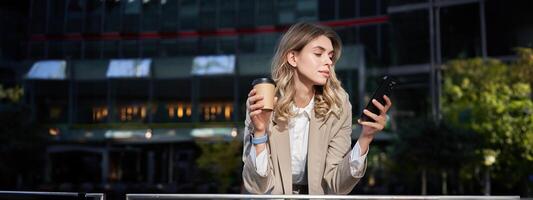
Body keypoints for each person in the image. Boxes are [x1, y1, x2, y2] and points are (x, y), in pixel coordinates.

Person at [242, 22, 392, 195]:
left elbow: (338, 185)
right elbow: (257, 187)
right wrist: (260, 133)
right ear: (292, 58)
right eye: (318, 53)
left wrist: (365, 137)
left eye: (330, 56)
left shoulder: (338, 106)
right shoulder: (263, 102)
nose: (328, 61)